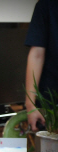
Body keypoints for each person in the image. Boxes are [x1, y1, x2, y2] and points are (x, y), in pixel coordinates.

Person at [25, 0, 58, 131]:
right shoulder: (46, 5)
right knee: (49, 150)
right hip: (50, 104)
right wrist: (30, 105)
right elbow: (36, 55)